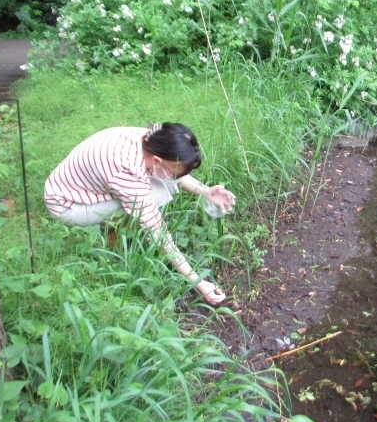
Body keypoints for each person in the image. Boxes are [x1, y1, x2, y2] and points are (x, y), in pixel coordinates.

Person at [44, 122, 235, 305]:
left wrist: (205, 191)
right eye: (175, 174)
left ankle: (118, 225)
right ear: (157, 160)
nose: (176, 179)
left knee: (159, 186)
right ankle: (114, 240)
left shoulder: (152, 138)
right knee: (157, 194)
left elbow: (170, 172)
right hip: (68, 205)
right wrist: (198, 281)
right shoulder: (125, 169)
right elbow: (158, 233)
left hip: (81, 187)